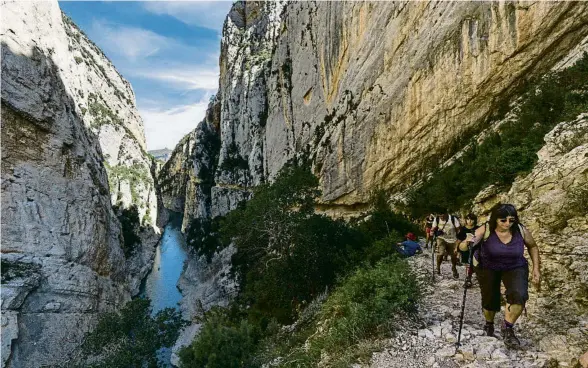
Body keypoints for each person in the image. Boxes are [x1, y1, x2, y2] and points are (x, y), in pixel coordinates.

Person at [470, 204, 541, 348]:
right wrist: (467, 243)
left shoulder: (520, 230)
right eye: (503, 220)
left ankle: (507, 328)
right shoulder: (486, 229)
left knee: (519, 294)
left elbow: (532, 246)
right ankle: (489, 323)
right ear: (495, 219)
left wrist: (536, 269)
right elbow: (467, 244)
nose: (508, 224)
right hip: (488, 266)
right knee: (490, 298)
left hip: (515, 266)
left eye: (511, 220)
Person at [432, 213, 461, 278]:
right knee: (440, 253)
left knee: (453, 256)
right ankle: (438, 267)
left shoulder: (453, 219)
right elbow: (433, 228)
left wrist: (459, 238)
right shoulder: (436, 219)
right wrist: (432, 231)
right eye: (440, 216)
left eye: (442, 215)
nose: (441, 217)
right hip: (441, 238)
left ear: (446, 214)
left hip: (452, 239)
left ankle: (454, 267)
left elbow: (459, 229)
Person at [456, 213, 479, 288]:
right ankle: (468, 279)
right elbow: (459, 239)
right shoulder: (463, 229)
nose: (470, 221)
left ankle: (472, 277)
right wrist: (456, 248)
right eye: (468, 219)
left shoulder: (478, 228)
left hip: (476, 249)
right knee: (468, 264)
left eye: (471, 219)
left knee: (475, 263)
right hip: (465, 248)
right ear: (466, 220)